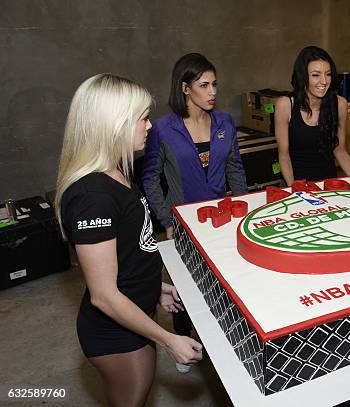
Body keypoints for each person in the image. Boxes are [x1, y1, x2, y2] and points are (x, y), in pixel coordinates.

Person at [55, 73, 203, 406]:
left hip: (134, 316)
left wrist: (157, 288)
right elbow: (104, 296)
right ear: (113, 124)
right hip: (114, 336)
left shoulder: (117, 171)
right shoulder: (92, 196)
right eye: (142, 118)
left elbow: (130, 249)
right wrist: (169, 339)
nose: (150, 126)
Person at [142, 53, 247, 372]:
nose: (213, 90)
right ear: (185, 88)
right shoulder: (162, 129)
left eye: (215, 84)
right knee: (185, 289)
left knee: (224, 283)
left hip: (223, 219)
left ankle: (226, 338)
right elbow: (149, 179)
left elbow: (235, 169)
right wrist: (167, 220)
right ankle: (183, 339)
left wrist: (243, 208)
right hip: (183, 223)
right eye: (204, 85)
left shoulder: (225, 122)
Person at [274, 46, 350, 185]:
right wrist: (296, 189)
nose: (324, 81)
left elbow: (340, 150)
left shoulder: (340, 104)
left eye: (328, 74)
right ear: (303, 76)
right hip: (296, 183)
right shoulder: (285, 105)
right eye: (316, 75)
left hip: (329, 183)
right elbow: (284, 156)